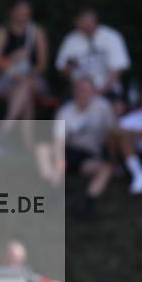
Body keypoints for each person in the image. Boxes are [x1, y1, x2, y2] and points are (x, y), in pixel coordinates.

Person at [49, 77, 116, 218]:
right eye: (79, 89)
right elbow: (58, 140)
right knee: (47, 154)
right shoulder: (65, 111)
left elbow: (111, 132)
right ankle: (54, 195)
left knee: (106, 169)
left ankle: (87, 202)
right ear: (74, 91)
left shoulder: (103, 108)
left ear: (93, 92)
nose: (82, 93)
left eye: (85, 90)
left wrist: (111, 154)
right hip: (69, 152)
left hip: (89, 154)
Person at [0, 0, 48, 152]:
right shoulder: (2, 32)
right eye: (20, 13)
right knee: (25, 94)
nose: (23, 17)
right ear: (12, 13)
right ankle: (28, 145)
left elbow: (42, 65)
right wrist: (12, 58)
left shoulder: (37, 32)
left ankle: (3, 132)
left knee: (26, 87)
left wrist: (26, 76)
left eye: (26, 14)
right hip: (7, 80)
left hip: (31, 78)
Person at [55, 6, 130, 107]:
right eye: (83, 21)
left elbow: (117, 71)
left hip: (107, 89)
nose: (87, 25)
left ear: (95, 20)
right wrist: (68, 67)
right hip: (78, 90)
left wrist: (99, 92)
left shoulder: (112, 37)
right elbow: (61, 70)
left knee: (117, 107)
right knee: (62, 108)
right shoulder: (70, 40)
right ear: (77, 22)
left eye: (89, 21)